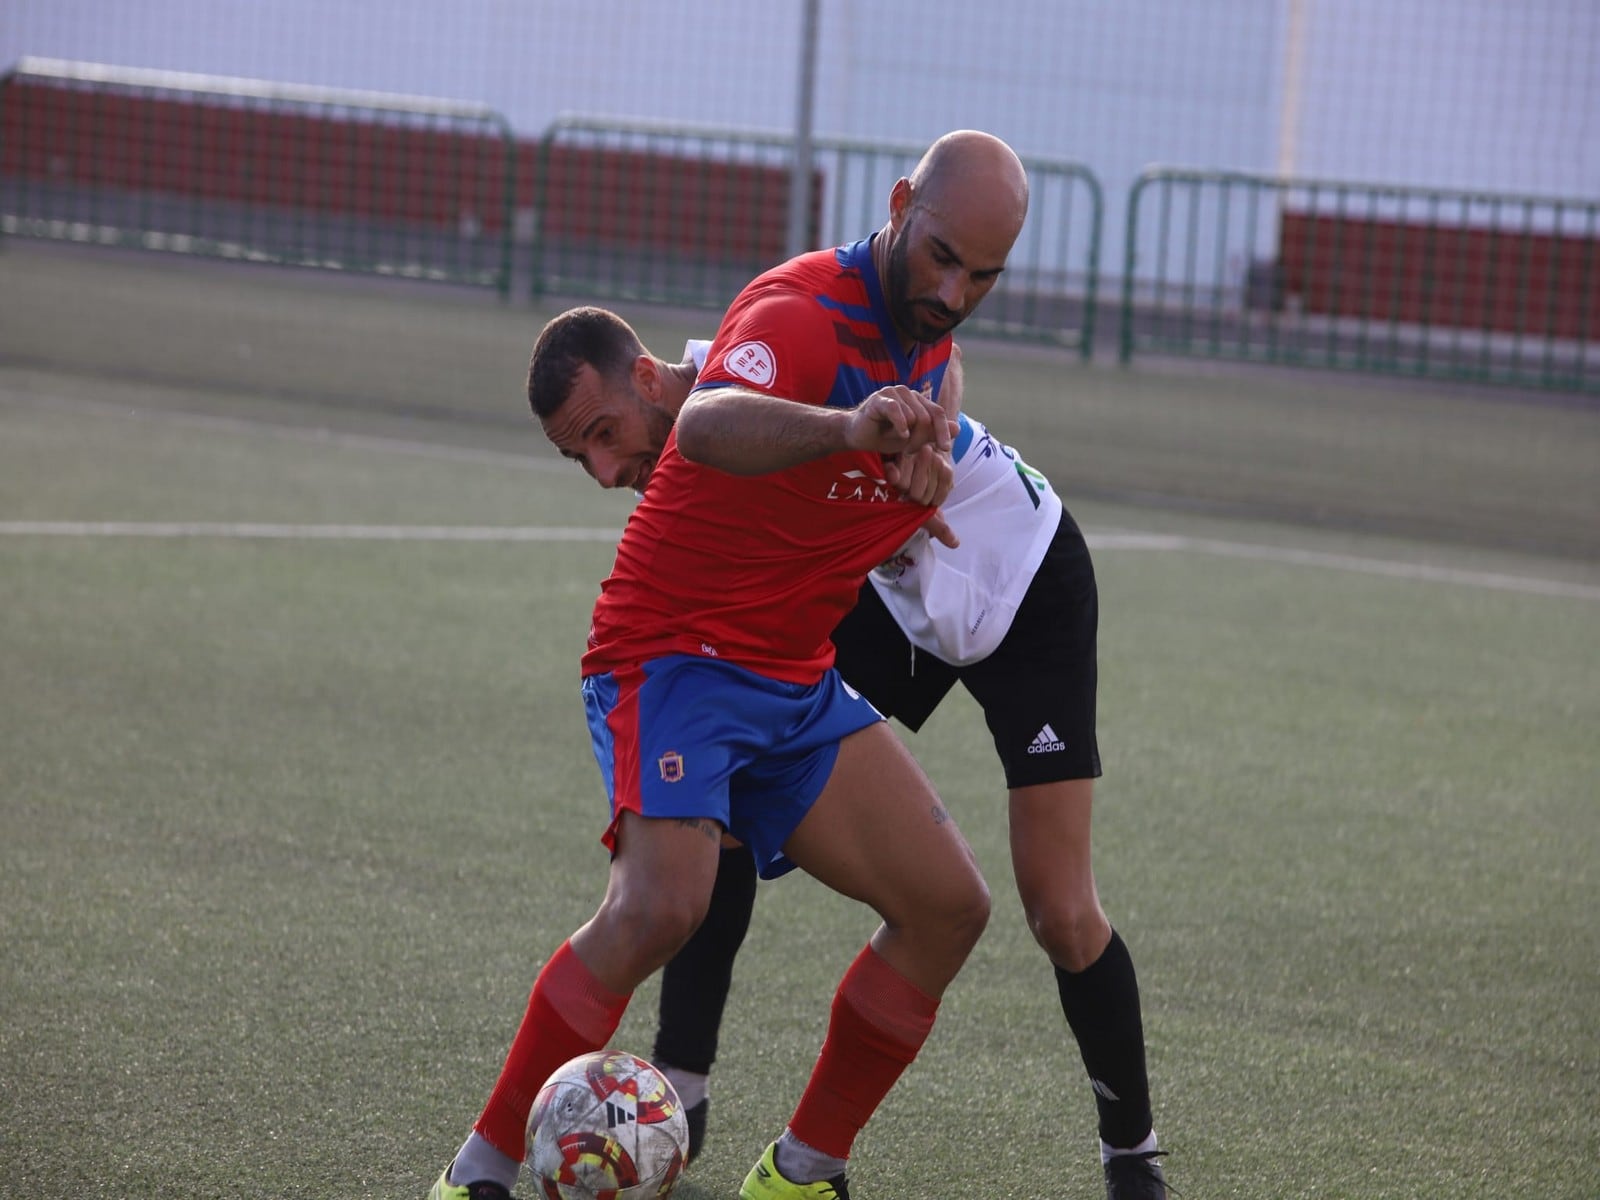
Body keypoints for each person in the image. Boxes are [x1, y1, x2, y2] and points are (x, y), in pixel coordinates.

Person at [430, 129, 1027, 1200]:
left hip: (792, 681)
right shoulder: (801, 310)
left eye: (981, 274)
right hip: (672, 656)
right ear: (898, 205)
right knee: (663, 905)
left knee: (950, 908)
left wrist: (913, 482)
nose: (952, 290)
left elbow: (917, 412)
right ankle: (472, 1174)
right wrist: (850, 426)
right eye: (940, 256)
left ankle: (798, 1175)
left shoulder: (933, 339)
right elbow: (703, 425)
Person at [532, 310, 1172, 1200]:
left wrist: (934, 425)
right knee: (730, 782)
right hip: (893, 584)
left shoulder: (774, 346)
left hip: (1022, 583)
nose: (608, 472)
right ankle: (685, 1085)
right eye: (585, 454)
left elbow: (941, 354)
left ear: (648, 380)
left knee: (1060, 912)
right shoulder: (720, 405)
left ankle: (1132, 1156)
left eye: (606, 440)